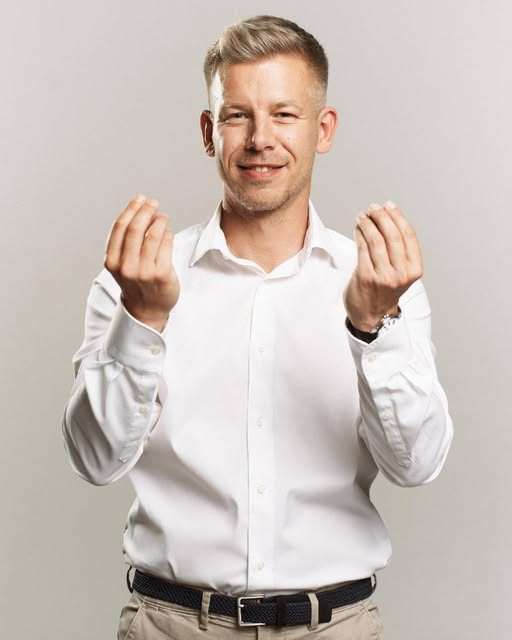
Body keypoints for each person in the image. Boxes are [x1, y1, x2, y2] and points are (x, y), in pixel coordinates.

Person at [61, 14, 453, 640]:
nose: (259, 139)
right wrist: (142, 318)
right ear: (209, 132)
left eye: (284, 115)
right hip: (172, 626)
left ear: (323, 129)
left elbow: (419, 465)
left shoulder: (378, 282)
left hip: (336, 628)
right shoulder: (137, 280)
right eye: (237, 115)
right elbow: (94, 459)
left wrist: (371, 328)